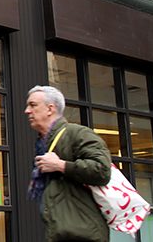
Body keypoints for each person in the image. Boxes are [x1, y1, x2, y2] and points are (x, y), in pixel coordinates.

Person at [26, 85, 113, 242]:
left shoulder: (77, 133)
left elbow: (102, 170)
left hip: (84, 235)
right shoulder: (42, 144)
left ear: (50, 109)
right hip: (61, 234)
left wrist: (61, 165)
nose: (27, 111)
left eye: (33, 105)